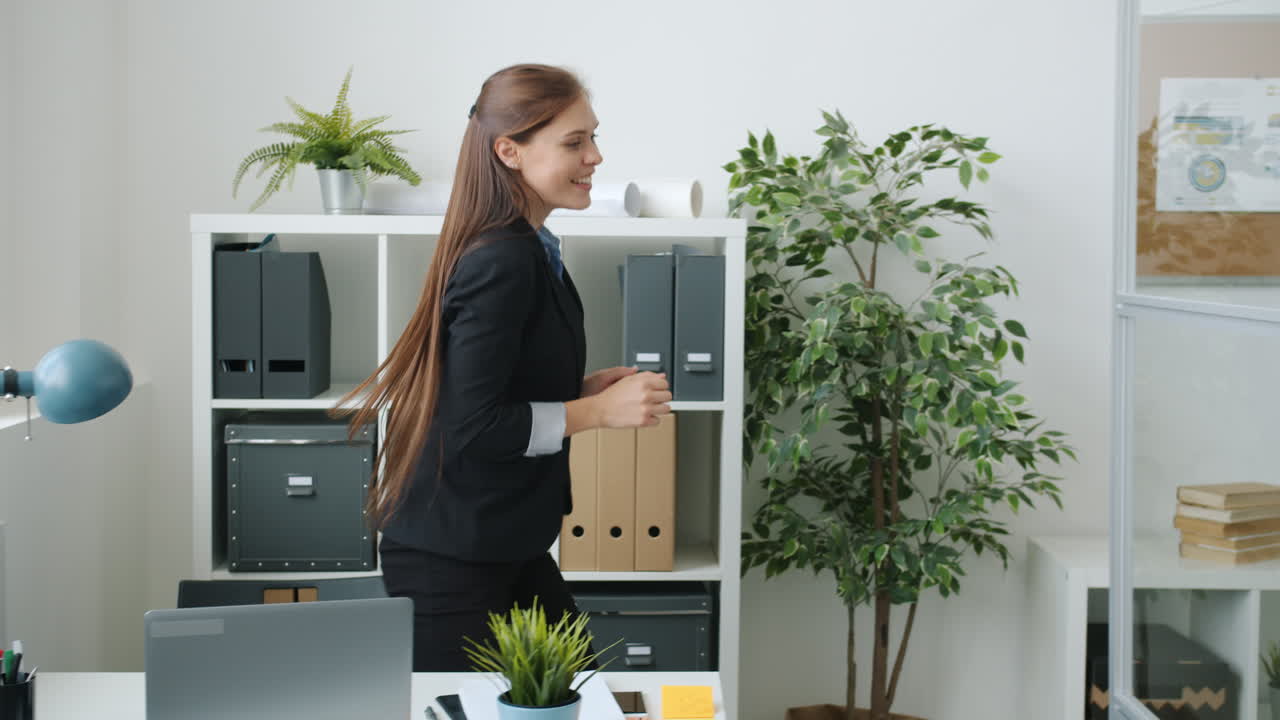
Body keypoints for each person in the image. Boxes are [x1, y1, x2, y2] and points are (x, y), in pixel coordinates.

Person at [337, 63, 672, 671]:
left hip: (504, 540)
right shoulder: (504, 258)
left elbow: (491, 386)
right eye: (574, 142)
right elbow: (472, 424)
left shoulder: (532, 246)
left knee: (578, 692)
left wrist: (580, 389)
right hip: (454, 554)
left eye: (593, 137)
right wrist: (595, 412)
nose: (595, 156)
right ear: (509, 152)